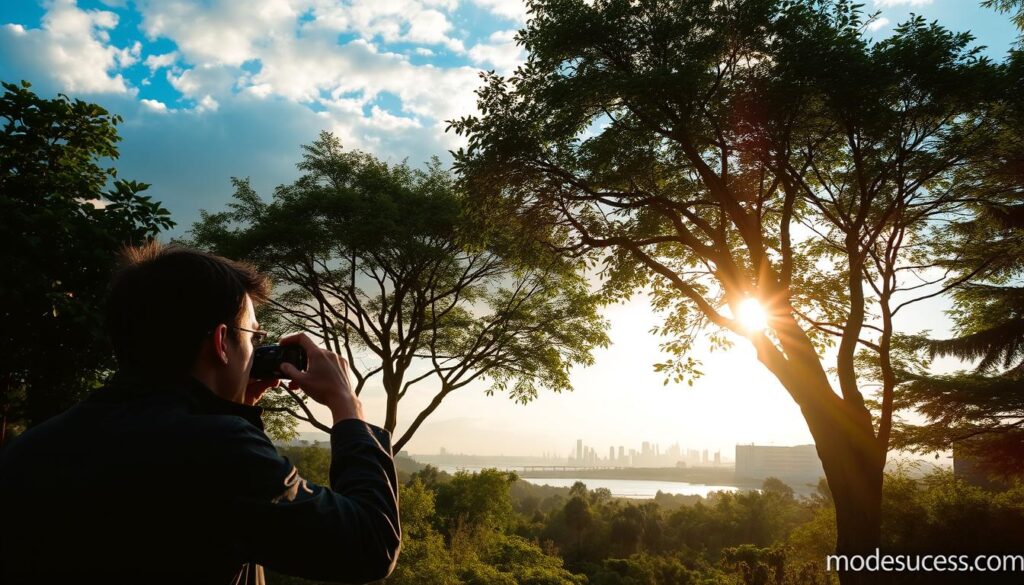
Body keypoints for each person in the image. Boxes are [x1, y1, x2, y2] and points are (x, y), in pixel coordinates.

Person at [0, 243, 401, 584]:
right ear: (222, 342)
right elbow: (370, 544)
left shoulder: (33, 448)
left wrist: (236, 411)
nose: (255, 351)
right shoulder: (218, 451)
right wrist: (349, 410)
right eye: (254, 336)